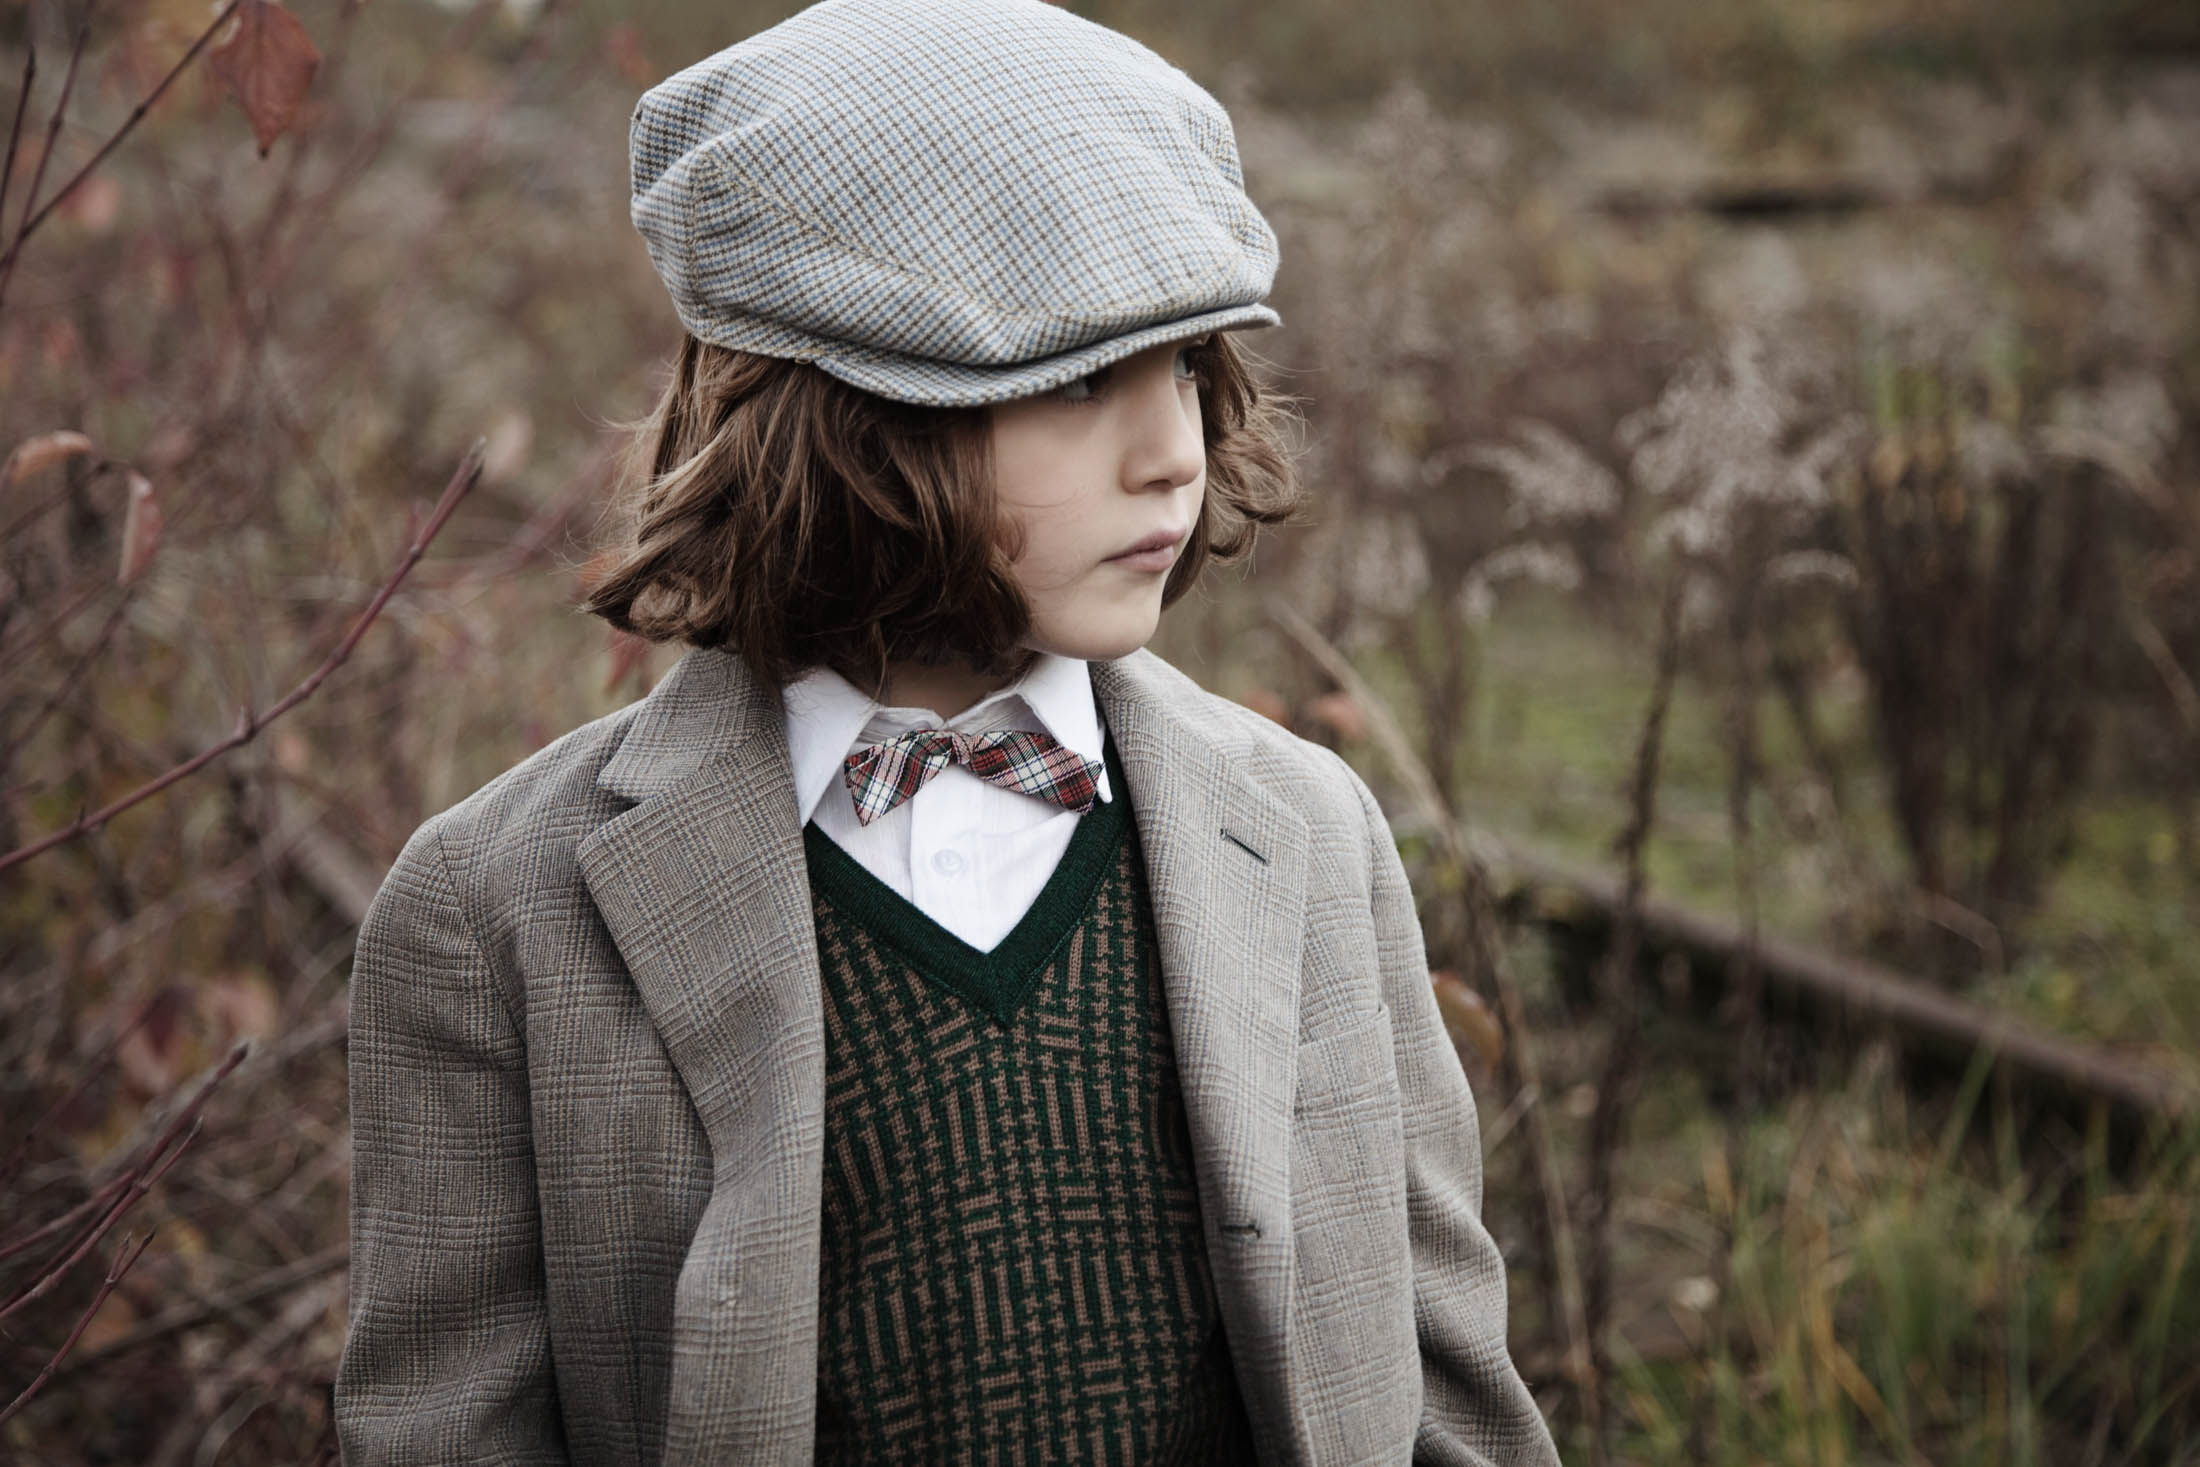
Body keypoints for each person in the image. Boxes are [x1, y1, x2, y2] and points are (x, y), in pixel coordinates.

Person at [334, 0, 1559, 1461]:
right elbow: (443, 1436)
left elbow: (1445, 1401)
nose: (1171, 449)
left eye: (1183, 367)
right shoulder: (494, 909)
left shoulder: (1305, 827)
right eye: (1078, 380)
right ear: (847, 422)